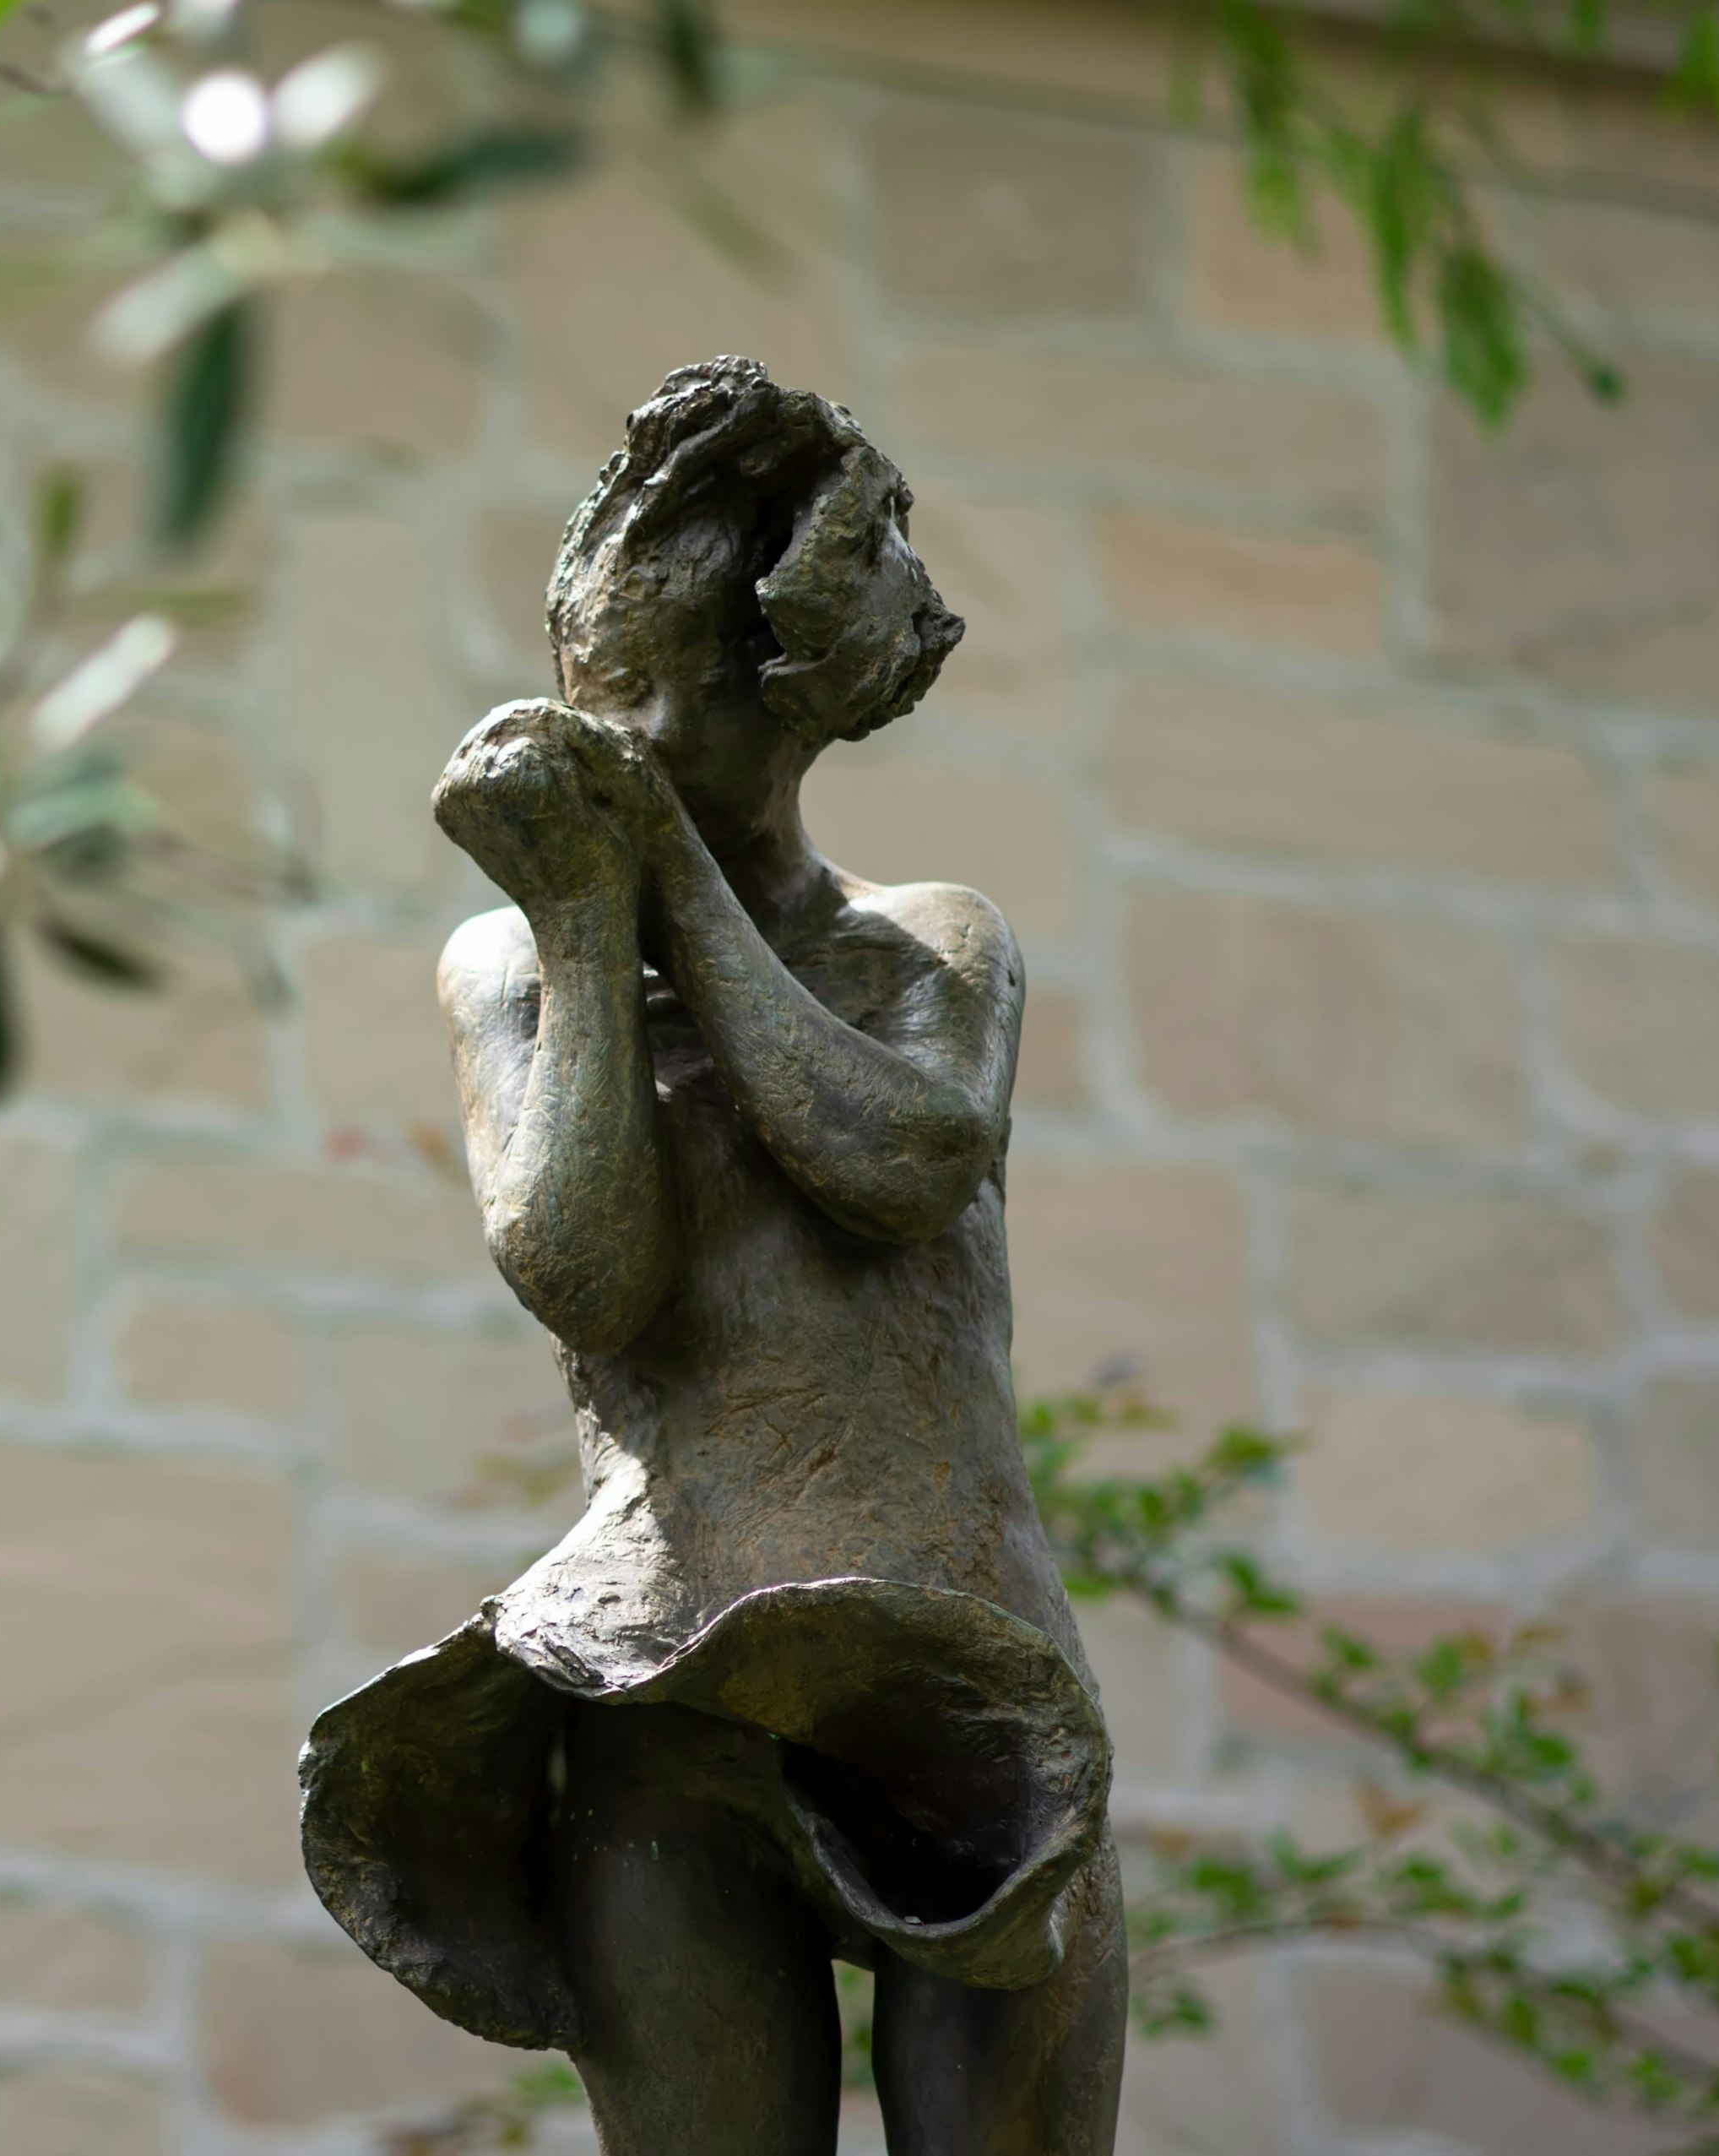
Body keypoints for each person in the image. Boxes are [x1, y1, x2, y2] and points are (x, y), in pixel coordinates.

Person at [298, 358, 1125, 2156]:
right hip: (661, 1673)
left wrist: (660, 864)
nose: (628, 747)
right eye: (613, 709)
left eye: (667, 718)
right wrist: (589, 917)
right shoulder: (511, 967)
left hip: (956, 1681)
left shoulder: (929, 942)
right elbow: (582, 1269)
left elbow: (903, 1158)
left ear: (789, 699)